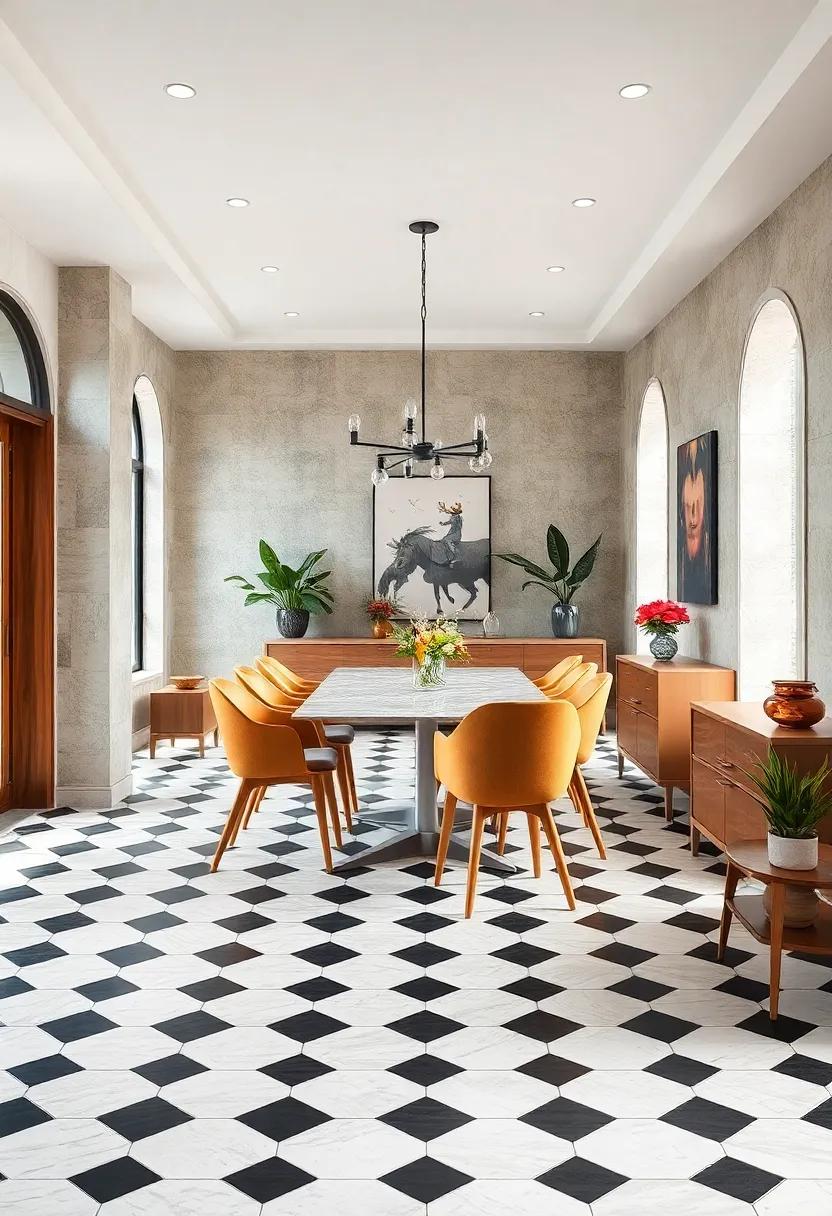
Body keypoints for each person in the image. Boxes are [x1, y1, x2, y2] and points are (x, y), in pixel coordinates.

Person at [435, 501, 463, 566]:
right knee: (444, 540)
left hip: (455, 535)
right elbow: (450, 522)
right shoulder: (455, 517)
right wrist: (443, 523)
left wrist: (443, 523)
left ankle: (456, 555)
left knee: (447, 540)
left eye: (452, 511)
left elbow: (452, 523)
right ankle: (448, 556)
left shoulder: (456, 518)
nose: (450, 513)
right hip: (453, 534)